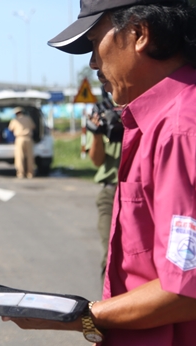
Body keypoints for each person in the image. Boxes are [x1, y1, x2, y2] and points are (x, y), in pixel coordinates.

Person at [3, 0, 196, 345]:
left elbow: (190, 289)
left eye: (94, 42)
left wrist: (79, 317)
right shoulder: (187, 113)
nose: (92, 62)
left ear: (139, 33)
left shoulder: (183, 131)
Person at [84, 103, 122, 280]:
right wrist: (98, 134)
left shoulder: (146, 108)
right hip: (111, 193)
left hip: (143, 192)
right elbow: (97, 161)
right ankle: (107, 306)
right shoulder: (104, 114)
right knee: (112, 256)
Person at [7, 107, 36, 178]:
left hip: (20, 139)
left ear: (16, 114)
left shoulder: (15, 120)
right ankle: (30, 173)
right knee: (30, 156)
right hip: (29, 138)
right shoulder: (28, 118)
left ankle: (21, 173)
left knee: (20, 157)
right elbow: (33, 127)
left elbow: (10, 129)